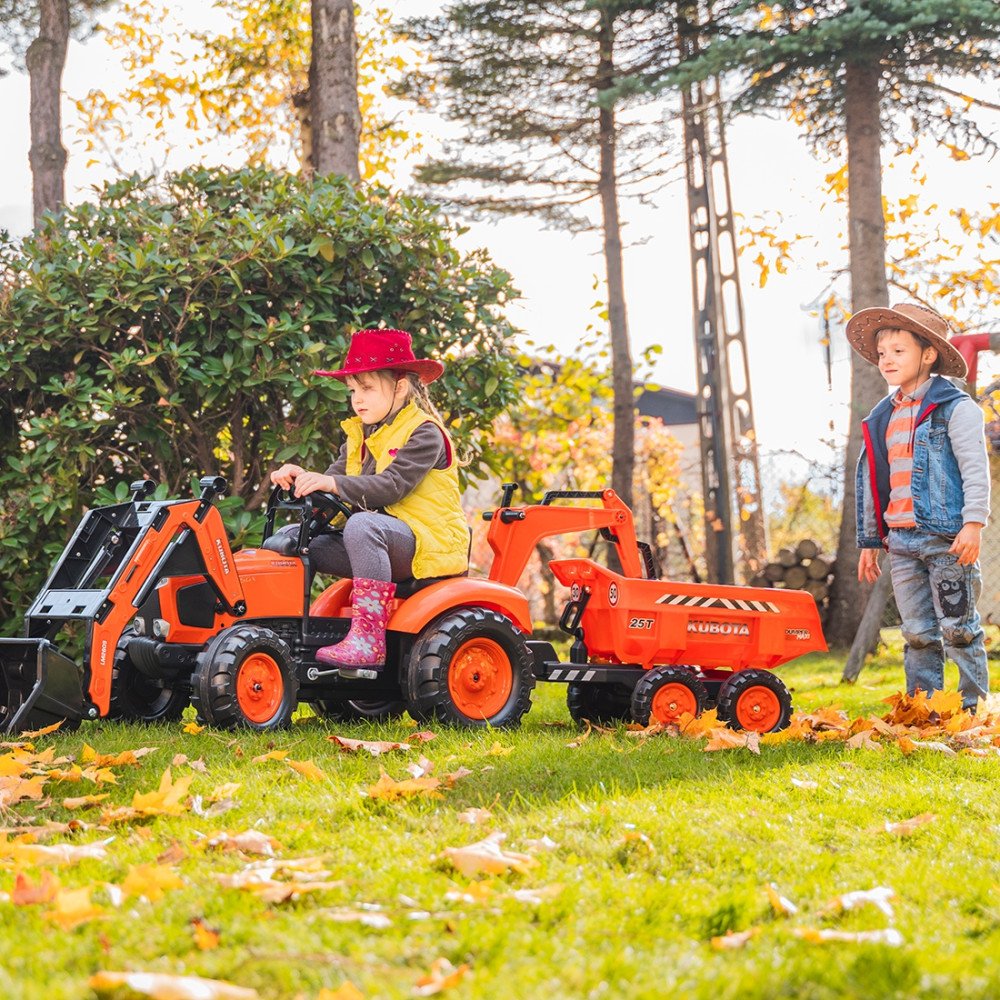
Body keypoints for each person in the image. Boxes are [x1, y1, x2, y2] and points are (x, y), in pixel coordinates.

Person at [269, 328, 469, 677]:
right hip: (381, 542)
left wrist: (331, 482)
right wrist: (300, 480)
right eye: (352, 391)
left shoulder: (425, 433)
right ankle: (281, 635)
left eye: (367, 388)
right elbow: (331, 490)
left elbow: (391, 487)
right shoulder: (361, 436)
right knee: (293, 539)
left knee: (362, 525)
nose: (357, 399)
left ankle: (368, 639)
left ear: (400, 387)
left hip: (426, 545)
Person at [848, 302, 990, 713]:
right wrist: (871, 541)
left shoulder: (956, 409)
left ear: (928, 355)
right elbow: (878, 483)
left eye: (898, 351)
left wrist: (973, 523)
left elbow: (973, 468)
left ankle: (971, 712)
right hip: (902, 541)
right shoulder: (882, 416)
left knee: (959, 628)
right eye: (881, 354)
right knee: (917, 633)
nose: (887, 360)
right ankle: (925, 709)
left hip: (946, 538)